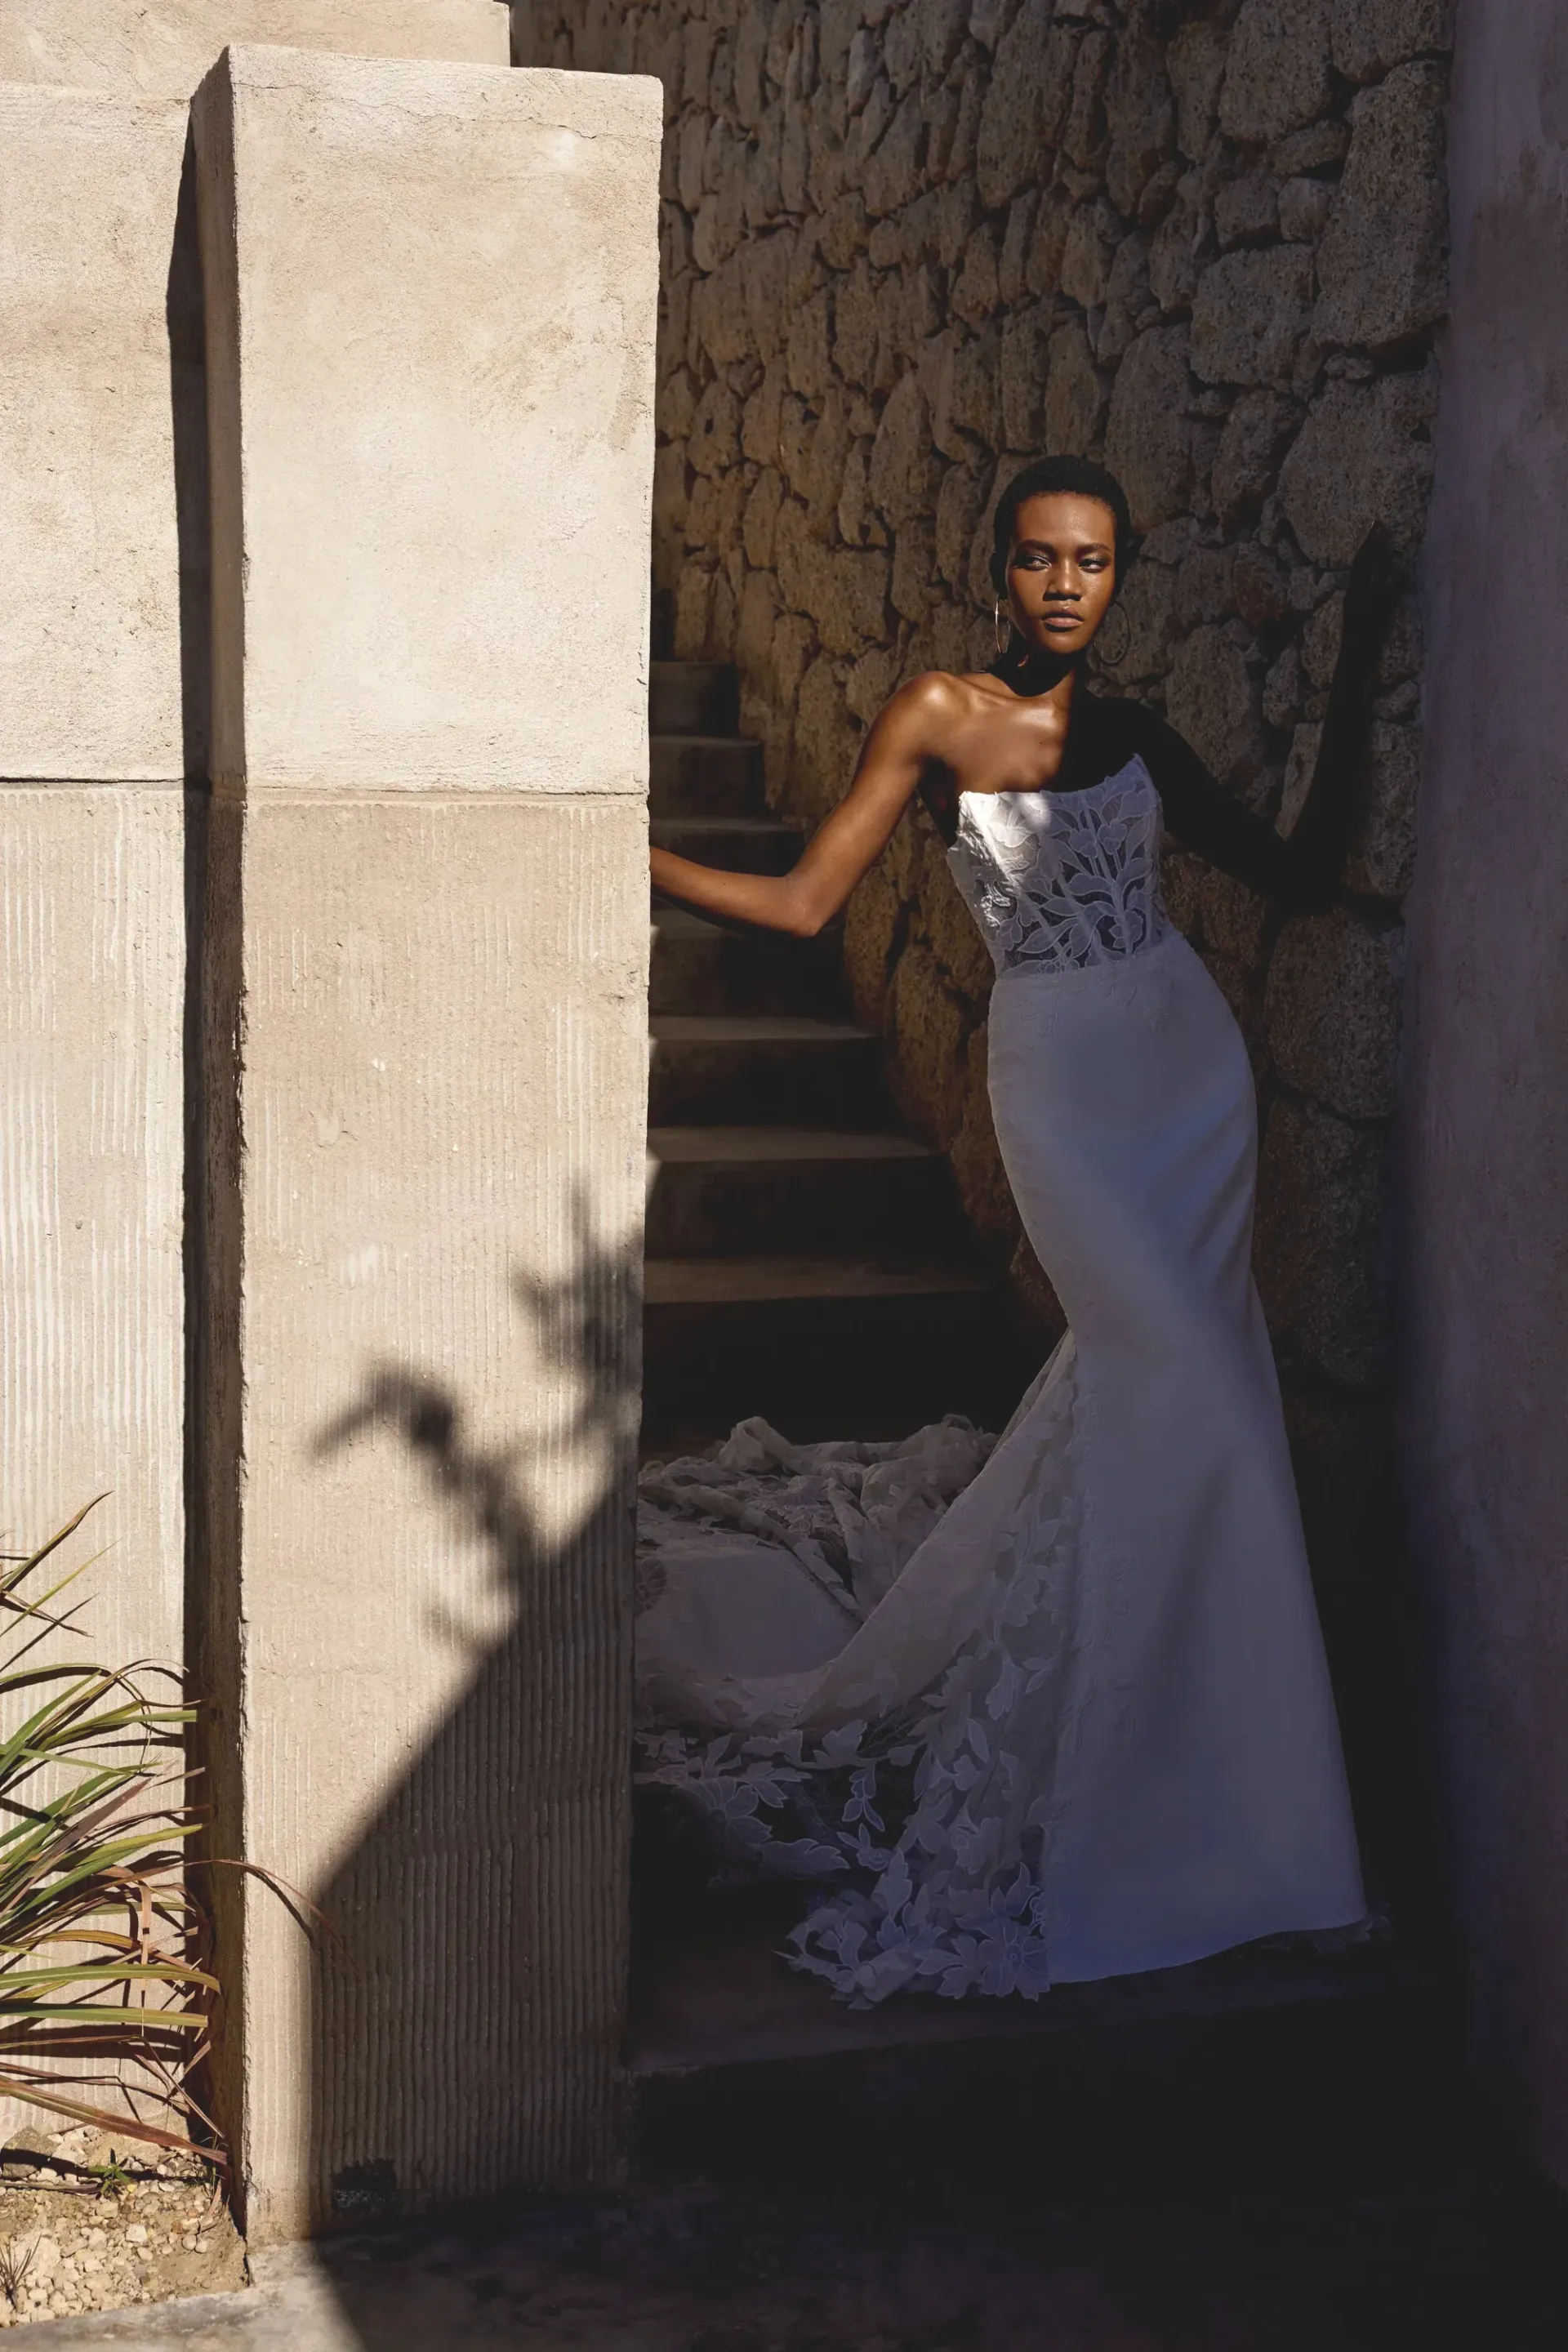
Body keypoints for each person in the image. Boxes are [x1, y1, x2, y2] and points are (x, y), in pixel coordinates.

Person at [636, 454, 1394, 2007]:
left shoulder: (1133, 737)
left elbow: (1299, 872)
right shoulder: (932, 713)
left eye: (1095, 562)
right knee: (1193, 1411)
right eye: (1042, 558)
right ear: (1002, 571)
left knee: (1203, 1421)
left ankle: (1255, 1833)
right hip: (1061, 1092)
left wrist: (1362, 656)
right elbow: (800, 907)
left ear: (1120, 580)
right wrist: (608, 845)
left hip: (1186, 1084)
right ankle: (1175, 1814)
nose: (1066, 583)